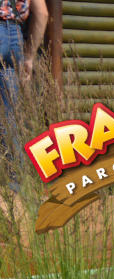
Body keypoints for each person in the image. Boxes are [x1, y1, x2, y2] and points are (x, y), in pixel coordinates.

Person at [1, 0, 47, 192]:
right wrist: (29, 56)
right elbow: (43, 13)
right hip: (16, 39)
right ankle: (16, 185)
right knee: (11, 116)